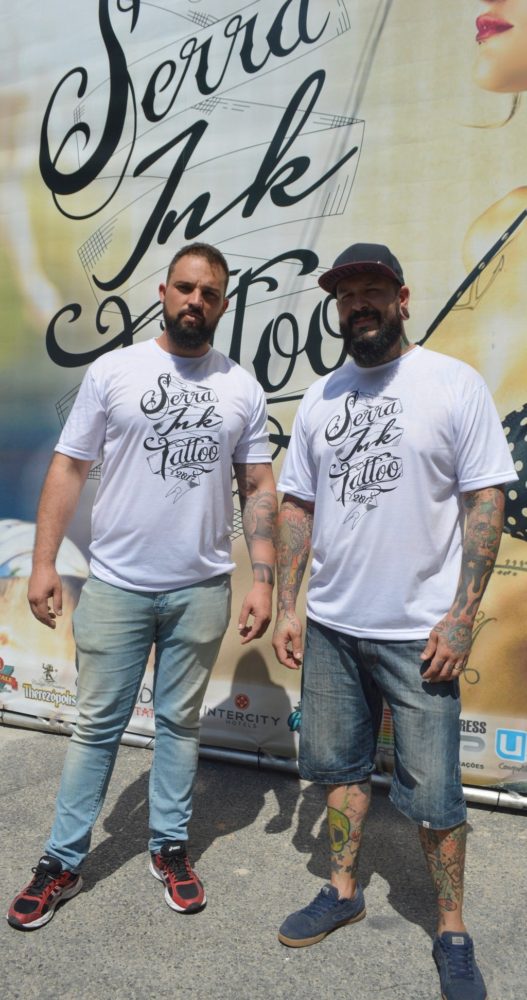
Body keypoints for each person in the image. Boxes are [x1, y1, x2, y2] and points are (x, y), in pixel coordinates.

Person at [7, 241, 277, 931]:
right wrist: (44, 561)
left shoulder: (240, 388)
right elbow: (69, 466)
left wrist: (264, 579)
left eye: (208, 293)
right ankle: (62, 861)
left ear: (223, 303)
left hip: (201, 590)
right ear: (163, 292)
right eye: (185, 288)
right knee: (95, 729)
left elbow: (257, 486)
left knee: (180, 726)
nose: (195, 301)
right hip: (117, 586)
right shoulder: (115, 370)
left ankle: (169, 848)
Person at [271, 243, 517, 1000]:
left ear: (402, 298)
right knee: (338, 772)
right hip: (334, 627)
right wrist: (288, 604)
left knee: (437, 797)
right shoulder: (322, 397)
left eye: (372, 291)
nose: (359, 305)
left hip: (420, 637)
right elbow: (297, 504)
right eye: (347, 296)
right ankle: (342, 891)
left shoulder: (451, 383)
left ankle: (452, 929)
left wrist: (461, 617)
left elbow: (486, 499)